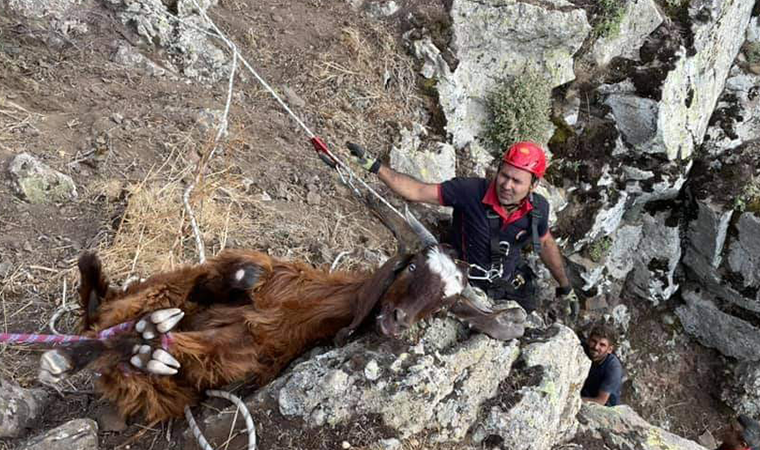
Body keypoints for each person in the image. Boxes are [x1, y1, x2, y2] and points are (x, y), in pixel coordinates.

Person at [348, 141, 578, 318]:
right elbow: (417, 191)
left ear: (533, 185)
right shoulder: (469, 192)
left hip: (510, 284)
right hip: (467, 283)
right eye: (504, 176)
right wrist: (376, 167)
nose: (507, 185)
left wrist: (565, 286)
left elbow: (546, 244)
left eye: (517, 181)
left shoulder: (538, 209)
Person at [580, 323, 623, 406]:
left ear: (609, 349)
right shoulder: (580, 349)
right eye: (593, 341)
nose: (596, 347)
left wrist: (572, 400)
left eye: (602, 345)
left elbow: (600, 401)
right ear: (588, 340)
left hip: (604, 408)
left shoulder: (613, 368)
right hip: (584, 394)